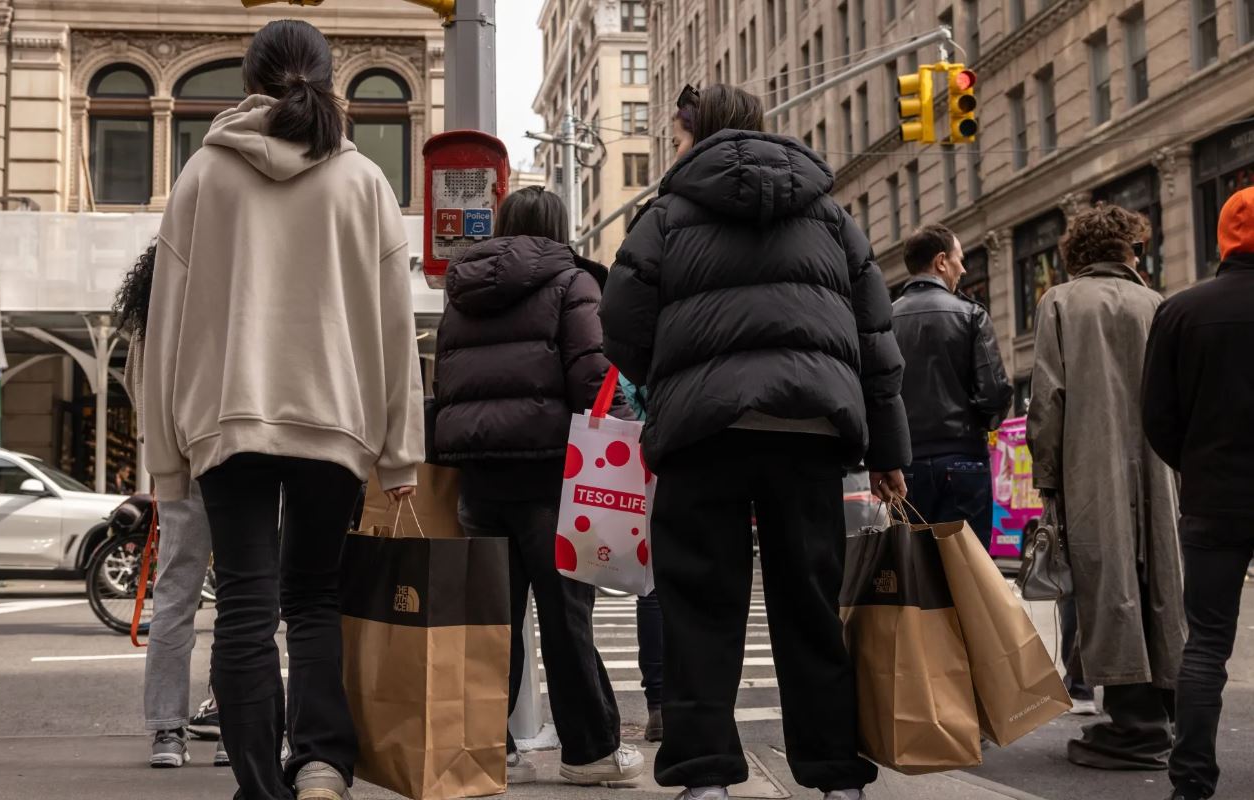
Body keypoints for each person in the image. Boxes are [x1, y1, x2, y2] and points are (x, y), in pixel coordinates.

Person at [600, 83, 909, 800]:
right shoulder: (830, 217)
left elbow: (620, 319)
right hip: (808, 432)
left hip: (702, 434)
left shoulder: (667, 215)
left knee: (700, 605)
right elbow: (875, 338)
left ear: (697, 134)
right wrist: (889, 451)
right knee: (809, 603)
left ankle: (704, 775)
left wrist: (675, 377)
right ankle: (834, 775)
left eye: (679, 137)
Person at [142, 19, 424, 800]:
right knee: (313, 597)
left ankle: (260, 785)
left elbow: (165, 320)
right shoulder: (362, 179)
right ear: (328, 78)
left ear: (250, 80)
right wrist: (401, 449)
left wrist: (165, 455)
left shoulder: (203, 174)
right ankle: (324, 766)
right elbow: (392, 326)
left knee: (243, 601)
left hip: (227, 418)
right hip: (334, 416)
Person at [431, 186, 644, 786]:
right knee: (564, 617)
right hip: (552, 475)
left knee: (490, 625)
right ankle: (591, 753)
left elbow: (446, 377)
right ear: (556, 226)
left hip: (478, 477)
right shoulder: (572, 281)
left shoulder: (462, 290)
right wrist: (625, 441)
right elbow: (592, 375)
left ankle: (482, 751)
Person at [1026, 203, 1185, 771]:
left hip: (1089, 466)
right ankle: (1163, 714)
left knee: (1106, 582)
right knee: (1160, 582)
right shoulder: (1157, 304)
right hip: (1159, 466)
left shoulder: (1060, 302)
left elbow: (1048, 398)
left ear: (1076, 255)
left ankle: (1132, 724)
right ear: (1130, 250)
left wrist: (1048, 479)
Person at [1143, 186, 1254, 800]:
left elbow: (1157, 415)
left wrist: (1194, 463)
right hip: (1214, 491)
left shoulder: (1182, 311)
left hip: (1212, 499)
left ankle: (1191, 782)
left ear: (1223, 238)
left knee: (1207, 641)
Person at [115, 244, 229, 769]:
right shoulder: (217, 300)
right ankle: (235, 723)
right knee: (243, 592)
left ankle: (167, 731)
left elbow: (138, 392)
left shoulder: (146, 318)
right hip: (230, 455)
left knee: (176, 595)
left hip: (175, 462)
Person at [891, 224, 1012, 549]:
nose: (964, 268)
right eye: (960, 259)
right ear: (941, 261)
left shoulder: (885, 321)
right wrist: (981, 422)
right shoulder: (971, 315)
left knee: (914, 572)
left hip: (906, 467)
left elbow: (875, 394)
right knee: (968, 576)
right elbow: (995, 393)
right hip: (963, 461)